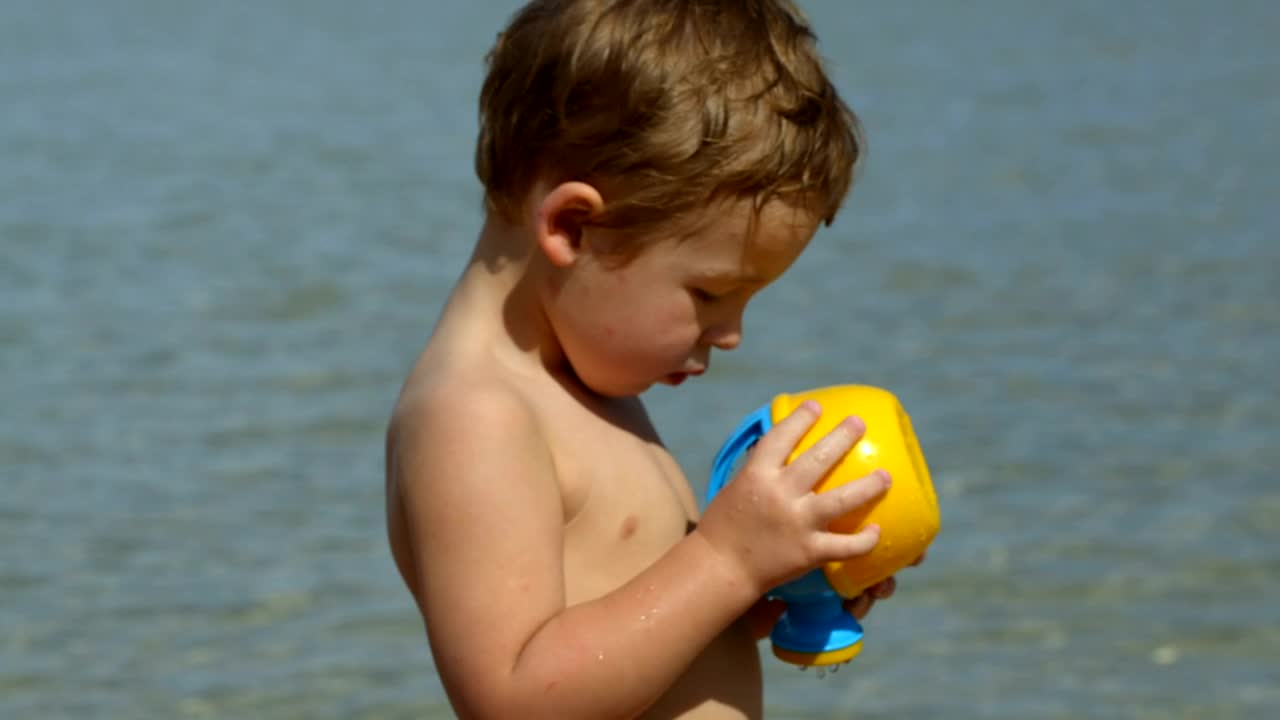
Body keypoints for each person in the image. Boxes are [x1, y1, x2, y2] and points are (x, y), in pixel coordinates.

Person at [385, 1, 915, 717]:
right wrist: (725, 560)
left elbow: (634, 649)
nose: (730, 335)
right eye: (711, 293)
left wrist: (772, 583)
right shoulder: (476, 418)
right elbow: (514, 698)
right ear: (575, 227)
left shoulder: (590, 392)